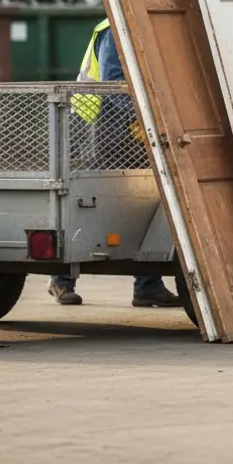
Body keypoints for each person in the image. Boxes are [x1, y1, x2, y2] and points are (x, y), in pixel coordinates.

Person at [47, 18, 182, 309]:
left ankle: (147, 285)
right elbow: (112, 85)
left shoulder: (147, 23)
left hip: (128, 122)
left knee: (146, 197)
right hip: (99, 121)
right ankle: (61, 280)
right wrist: (147, 117)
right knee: (92, 199)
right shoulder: (114, 26)